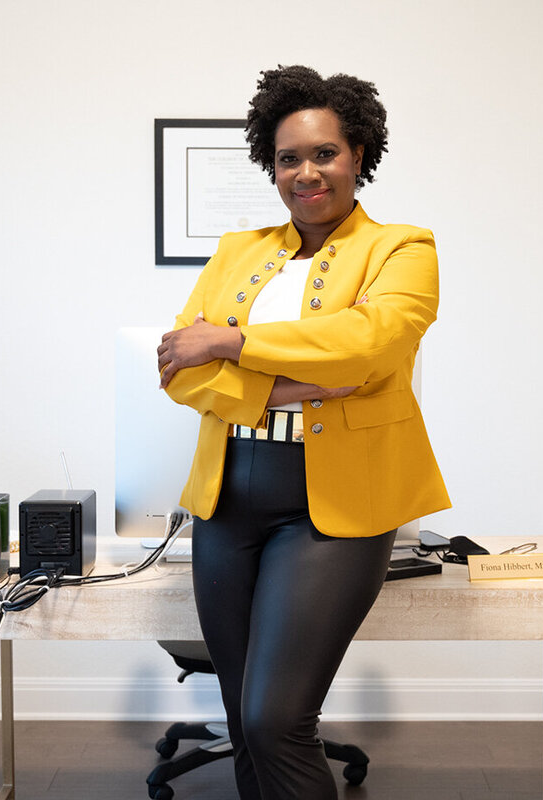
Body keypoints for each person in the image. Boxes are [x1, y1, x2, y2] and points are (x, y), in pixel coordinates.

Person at [156, 64, 450, 800]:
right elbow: (179, 369)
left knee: (275, 719)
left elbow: (369, 344)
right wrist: (294, 386)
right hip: (227, 500)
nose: (306, 172)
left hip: (335, 508)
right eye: (289, 158)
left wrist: (230, 343)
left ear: (358, 155)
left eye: (325, 154)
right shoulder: (237, 250)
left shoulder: (402, 249)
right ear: (272, 165)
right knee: (242, 717)